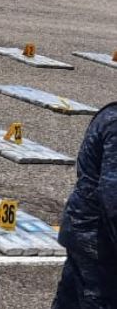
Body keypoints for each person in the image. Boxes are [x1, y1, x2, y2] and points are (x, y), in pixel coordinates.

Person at [53, 102, 117, 309]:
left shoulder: (110, 114)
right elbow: (112, 198)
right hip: (97, 240)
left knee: (70, 300)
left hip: (83, 230)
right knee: (99, 300)